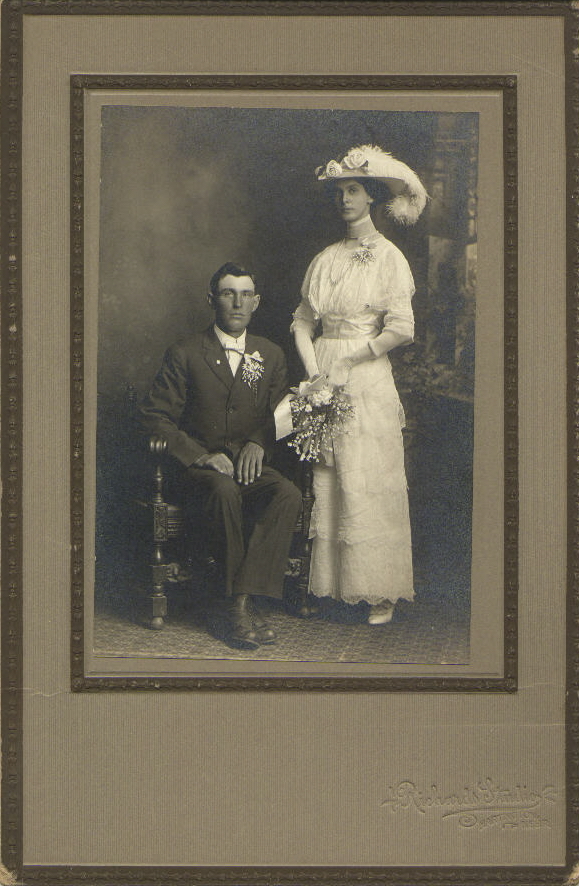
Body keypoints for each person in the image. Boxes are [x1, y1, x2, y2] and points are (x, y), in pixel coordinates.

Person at [291, 144, 427, 624]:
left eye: (353, 190)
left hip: (366, 375)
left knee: (367, 477)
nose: (344, 199)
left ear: (371, 197)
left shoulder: (389, 257)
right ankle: (333, 584)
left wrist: (350, 360)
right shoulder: (326, 258)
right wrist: (315, 374)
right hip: (324, 373)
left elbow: (402, 328)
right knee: (328, 476)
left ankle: (379, 590)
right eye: (340, 192)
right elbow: (302, 322)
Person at [140, 262, 302, 649]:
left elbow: (280, 414)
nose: (237, 303)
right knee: (224, 489)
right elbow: (154, 417)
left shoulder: (270, 354)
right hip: (199, 473)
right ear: (211, 300)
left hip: (247, 468)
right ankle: (235, 607)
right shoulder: (185, 353)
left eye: (246, 295)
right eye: (229, 293)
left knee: (287, 493)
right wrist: (200, 456)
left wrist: (259, 442)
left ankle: (240, 602)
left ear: (256, 302)